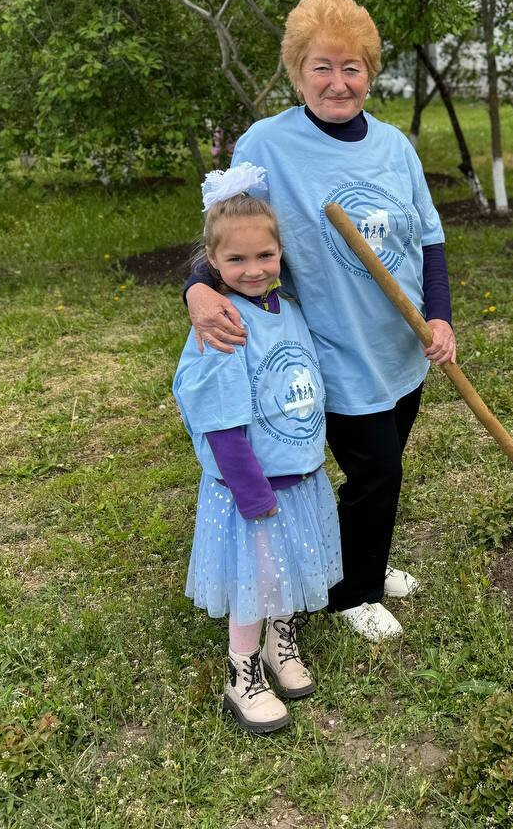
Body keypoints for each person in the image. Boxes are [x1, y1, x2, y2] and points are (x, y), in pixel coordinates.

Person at [185, 0, 453, 642]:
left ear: (370, 72)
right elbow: (230, 230)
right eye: (322, 67)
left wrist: (439, 317)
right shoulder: (269, 145)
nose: (339, 81)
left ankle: (368, 558)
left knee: (385, 467)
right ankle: (350, 592)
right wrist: (197, 288)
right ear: (297, 72)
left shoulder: (394, 147)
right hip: (332, 346)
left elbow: (430, 236)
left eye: (352, 67)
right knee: (375, 471)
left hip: (402, 344)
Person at [173, 168, 343, 734]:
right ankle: (242, 670)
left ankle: (280, 645)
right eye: (237, 261)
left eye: (265, 256)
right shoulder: (221, 324)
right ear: (212, 265)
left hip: (296, 475)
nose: (253, 270)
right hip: (255, 486)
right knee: (256, 579)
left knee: (289, 570)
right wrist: (250, 491)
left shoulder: (287, 307)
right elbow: (219, 417)